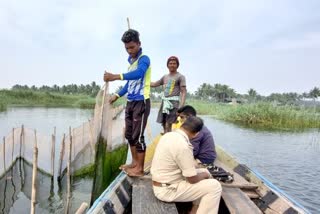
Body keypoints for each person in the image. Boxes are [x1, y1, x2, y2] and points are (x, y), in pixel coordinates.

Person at [103, 29, 151, 177]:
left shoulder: (144, 59)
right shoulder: (130, 62)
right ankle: (134, 162)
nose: (129, 51)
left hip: (141, 102)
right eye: (127, 48)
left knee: (138, 136)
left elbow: (139, 74)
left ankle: (140, 169)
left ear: (139, 44)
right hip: (130, 102)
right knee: (130, 135)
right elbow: (129, 83)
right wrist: (117, 95)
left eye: (132, 47)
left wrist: (116, 76)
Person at [151, 116, 222, 214]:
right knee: (215, 186)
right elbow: (192, 180)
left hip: (161, 184)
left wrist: (204, 172)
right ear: (196, 134)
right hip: (167, 191)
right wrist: (206, 175)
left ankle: (195, 210)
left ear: (183, 125)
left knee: (203, 171)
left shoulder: (168, 135)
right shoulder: (184, 146)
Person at [151, 56, 186, 133]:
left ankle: (168, 140)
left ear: (177, 65)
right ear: (167, 65)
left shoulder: (180, 77)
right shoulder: (165, 77)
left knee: (168, 124)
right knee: (163, 123)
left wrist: (181, 107)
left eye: (174, 63)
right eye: (170, 63)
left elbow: (183, 92)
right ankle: (166, 136)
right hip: (164, 103)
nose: (172, 65)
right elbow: (154, 84)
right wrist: (144, 82)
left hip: (174, 103)